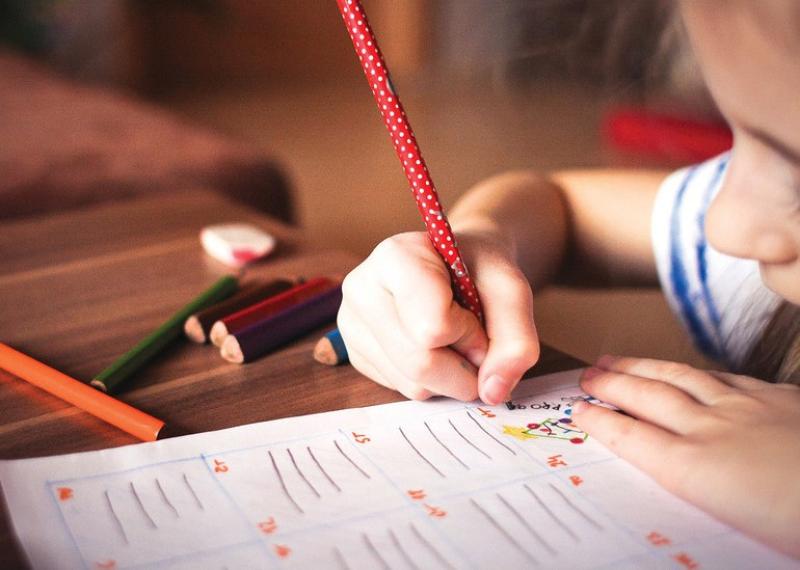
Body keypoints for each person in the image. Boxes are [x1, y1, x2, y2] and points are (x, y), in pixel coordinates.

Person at [336, 0, 800, 558]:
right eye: (734, 141)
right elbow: (559, 208)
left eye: (795, 169)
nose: (722, 224)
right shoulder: (753, 231)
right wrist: (483, 242)